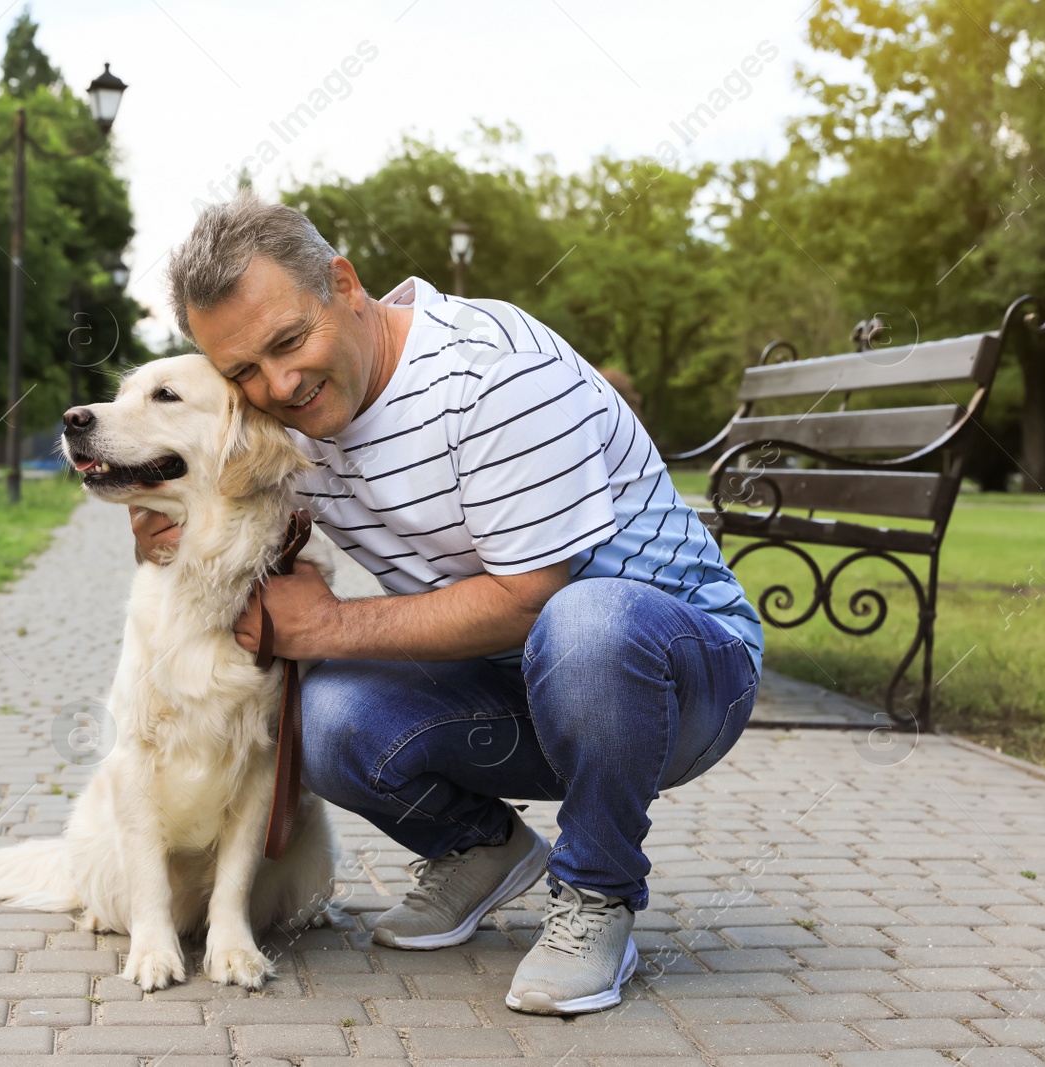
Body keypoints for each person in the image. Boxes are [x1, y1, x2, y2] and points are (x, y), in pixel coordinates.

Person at [129, 191, 762, 1015]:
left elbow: (535, 599)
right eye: (243, 370)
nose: (277, 383)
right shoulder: (296, 419)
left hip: (678, 676)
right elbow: (217, 493)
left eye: (290, 341)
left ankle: (599, 893)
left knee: (589, 620)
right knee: (324, 715)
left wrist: (328, 624)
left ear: (345, 284)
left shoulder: (493, 374)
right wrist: (160, 515)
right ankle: (479, 848)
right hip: (516, 684)